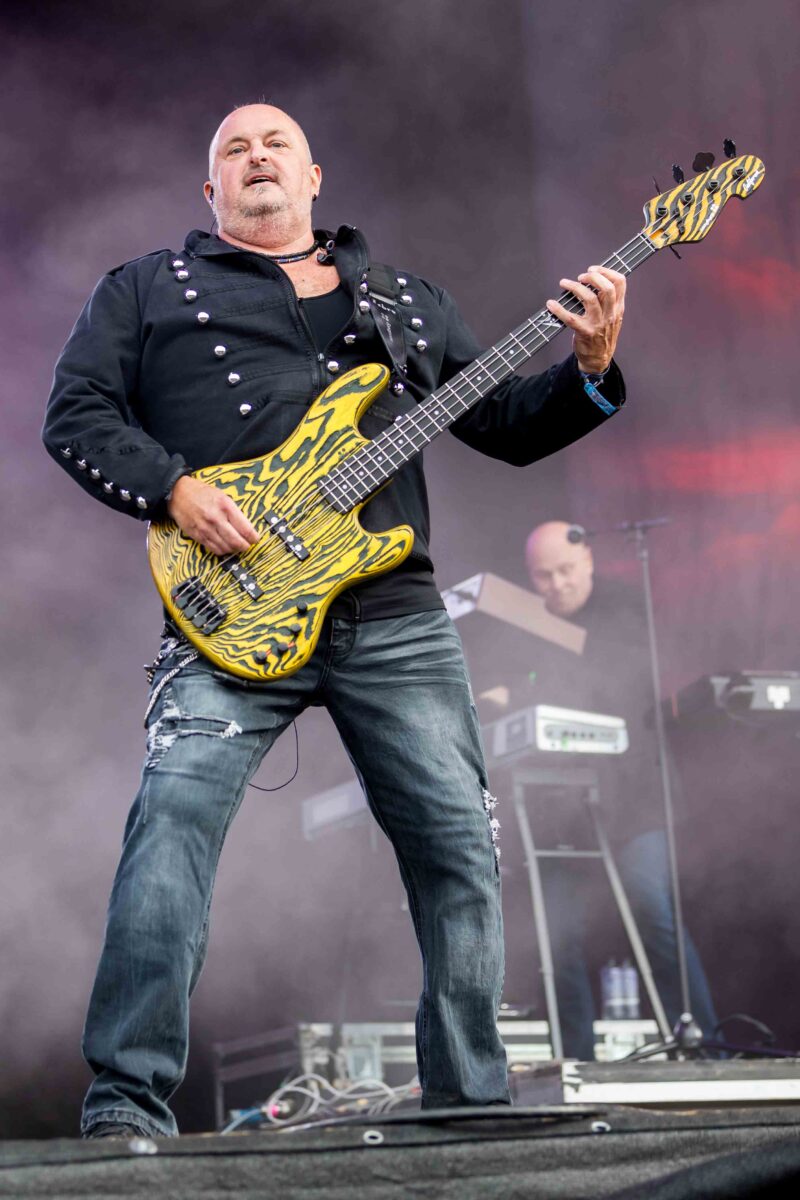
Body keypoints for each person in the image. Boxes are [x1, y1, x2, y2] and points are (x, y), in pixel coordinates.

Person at [42, 103, 628, 1138]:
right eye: (234, 148)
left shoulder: (403, 301)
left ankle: (468, 1103)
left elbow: (502, 422)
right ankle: (126, 1106)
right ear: (210, 191)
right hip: (228, 610)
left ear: (314, 177)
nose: (256, 156)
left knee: (457, 846)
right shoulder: (146, 289)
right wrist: (174, 489)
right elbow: (76, 413)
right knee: (170, 831)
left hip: (389, 611)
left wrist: (588, 370)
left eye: (276, 143)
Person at [523, 521, 718, 1059]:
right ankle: (574, 1061)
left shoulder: (626, 606)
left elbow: (624, 680)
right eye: (543, 576)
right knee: (556, 934)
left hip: (633, 795)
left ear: (588, 560)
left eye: (566, 571)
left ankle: (704, 1049)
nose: (557, 585)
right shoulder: (524, 625)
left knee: (651, 912)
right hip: (557, 803)